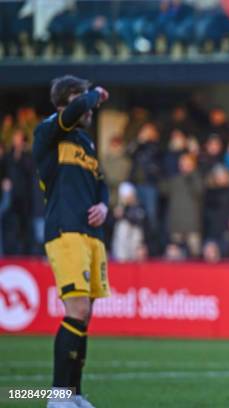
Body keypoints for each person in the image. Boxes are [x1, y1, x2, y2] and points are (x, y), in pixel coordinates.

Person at [33, 75, 110, 408]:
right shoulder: (50, 130)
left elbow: (101, 181)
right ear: (65, 101)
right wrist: (93, 95)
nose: (90, 107)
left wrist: (104, 205)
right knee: (76, 309)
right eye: (81, 99)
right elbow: (77, 109)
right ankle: (58, 397)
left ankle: (74, 395)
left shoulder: (86, 142)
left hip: (90, 235)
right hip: (66, 230)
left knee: (85, 314)